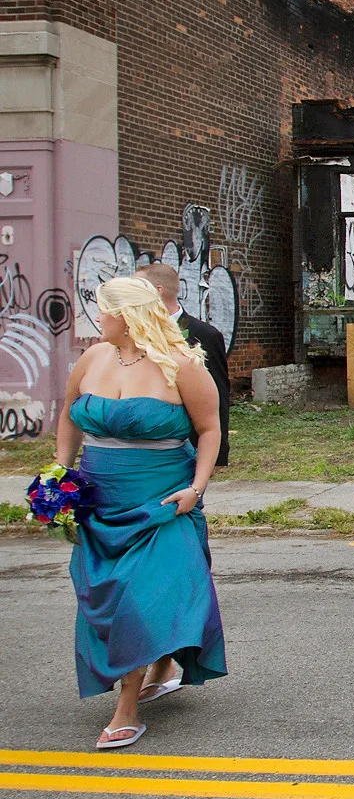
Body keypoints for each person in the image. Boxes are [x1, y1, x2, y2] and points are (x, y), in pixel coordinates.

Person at [55, 276, 227, 749]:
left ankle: (126, 708)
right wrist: (58, 475)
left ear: (127, 316)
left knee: (138, 601)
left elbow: (210, 429)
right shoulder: (91, 359)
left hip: (161, 502)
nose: (98, 319)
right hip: (98, 501)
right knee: (108, 598)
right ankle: (161, 662)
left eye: (104, 312)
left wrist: (196, 488)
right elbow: (69, 416)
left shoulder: (182, 366)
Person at [136, 263, 230, 467]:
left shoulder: (205, 335)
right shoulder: (133, 334)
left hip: (184, 445)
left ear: (157, 291)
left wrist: (216, 456)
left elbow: (219, 395)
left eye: (137, 286)